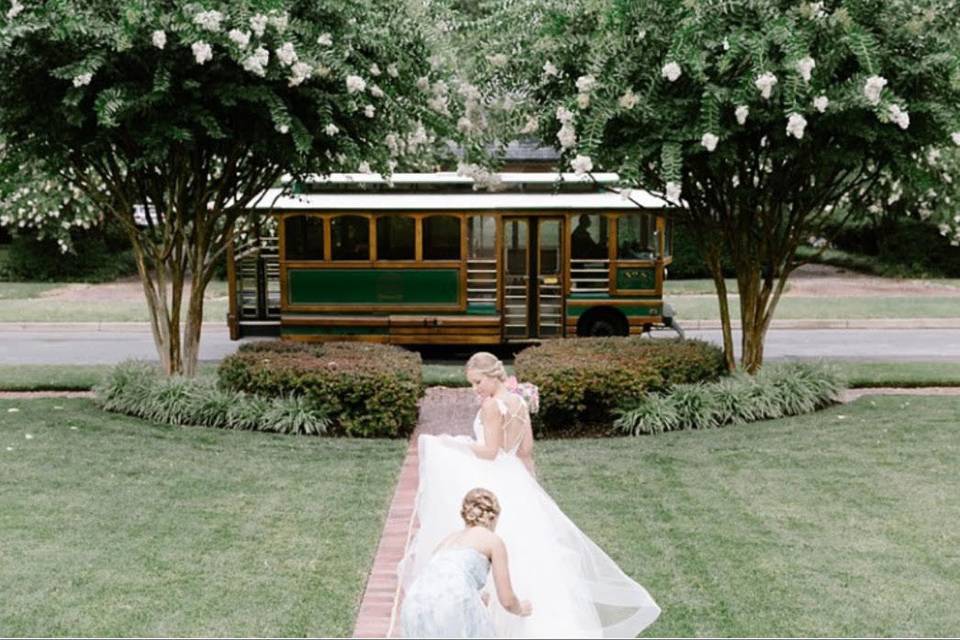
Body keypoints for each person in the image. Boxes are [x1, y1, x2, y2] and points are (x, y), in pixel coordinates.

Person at [397, 352, 661, 638]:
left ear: (492, 375)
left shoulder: (491, 406)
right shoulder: (520, 401)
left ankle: (498, 622)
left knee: (495, 539)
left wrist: (456, 444)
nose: (476, 389)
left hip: (494, 476)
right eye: (473, 384)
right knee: (534, 550)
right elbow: (525, 452)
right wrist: (533, 490)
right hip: (517, 480)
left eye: (477, 382)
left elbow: (490, 452)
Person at [401, 488, 532, 638]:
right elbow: (507, 600)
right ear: (493, 517)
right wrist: (521, 609)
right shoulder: (492, 540)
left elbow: (440, 583)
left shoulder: (446, 541)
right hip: (453, 604)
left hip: (414, 605)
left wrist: (476, 599)